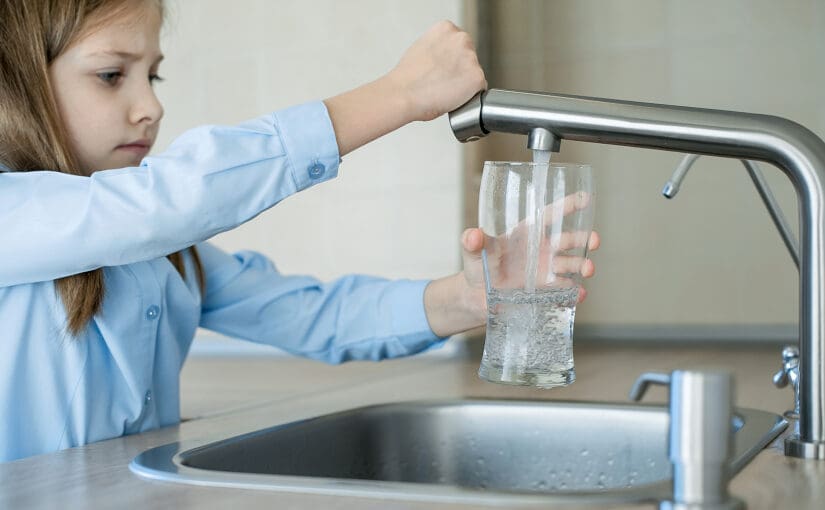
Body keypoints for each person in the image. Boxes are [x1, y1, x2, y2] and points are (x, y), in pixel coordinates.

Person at [0, 0, 598, 463]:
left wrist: (467, 297)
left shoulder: (168, 256)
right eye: (111, 75)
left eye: (151, 77)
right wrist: (399, 95)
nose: (149, 107)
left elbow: (312, 314)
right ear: (19, 84)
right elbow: (172, 198)